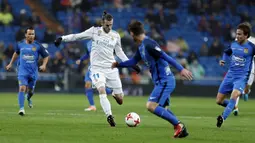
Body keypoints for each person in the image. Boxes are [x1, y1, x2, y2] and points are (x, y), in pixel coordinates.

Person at [54, 11, 140, 126]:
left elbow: (120, 52)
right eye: (107, 25)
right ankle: (109, 116)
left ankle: (114, 94)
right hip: (97, 69)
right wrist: (62, 38)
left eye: (111, 25)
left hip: (111, 69)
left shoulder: (115, 35)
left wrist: (131, 64)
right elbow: (77, 36)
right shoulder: (94, 31)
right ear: (102, 23)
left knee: (120, 100)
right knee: (101, 89)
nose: (109, 27)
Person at [112, 20, 193, 138]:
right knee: (162, 108)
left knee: (151, 105)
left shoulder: (149, 44)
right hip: (160, 81)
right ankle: (181, 129)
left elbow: (166, 56)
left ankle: (179, 125)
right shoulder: (141, 47)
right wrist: (118, 65)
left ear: (132, 33)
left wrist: (181, 69)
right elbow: (133, 61)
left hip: (165, 80)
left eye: (130, 33)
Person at [216, 23, 255, 128]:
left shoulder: (251, 47)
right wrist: (223, 60)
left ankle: (222, 117)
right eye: (237, 34)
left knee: (234, 95)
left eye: (240, 34)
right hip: (230, 76)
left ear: (246, 35)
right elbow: (226, 52)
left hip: (241, 78)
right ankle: (233, 106)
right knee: (219, 101)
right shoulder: (234, 44)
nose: (237, 36)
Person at [6, 26, 49, 116]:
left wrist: (44, 65)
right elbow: (16, 53)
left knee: (30, 91)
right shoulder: (20, 44)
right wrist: (10, 64)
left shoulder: (38, 45)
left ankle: (28, 98)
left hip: (33, 72)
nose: (31, 35)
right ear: (26, 35)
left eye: (32, 34)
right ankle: (21, 109)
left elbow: (46, 56)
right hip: (22, 71)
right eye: (29, 34)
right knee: (22, 88)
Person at [76, 40, 113, 111]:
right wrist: (81, 59)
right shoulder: (88, 43)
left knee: (97, 86)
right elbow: (88, 54)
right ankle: (92, 106)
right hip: (92, 67)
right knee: (88, 84)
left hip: (100, 66)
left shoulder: (102, 41)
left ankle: (111, 92)